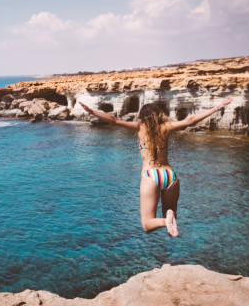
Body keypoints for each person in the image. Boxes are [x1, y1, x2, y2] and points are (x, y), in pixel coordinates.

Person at [79, 98, 232, 236]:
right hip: (170, 175)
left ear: (142, 115)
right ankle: (169, 216)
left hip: (151, 175)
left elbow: (113, 120)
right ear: (159, 114)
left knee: (147, 224)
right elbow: (190, 120)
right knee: (170, 213)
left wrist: (92, 111)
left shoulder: (139, 127)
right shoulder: (165, 127)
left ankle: (165, 221)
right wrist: (217, 107)